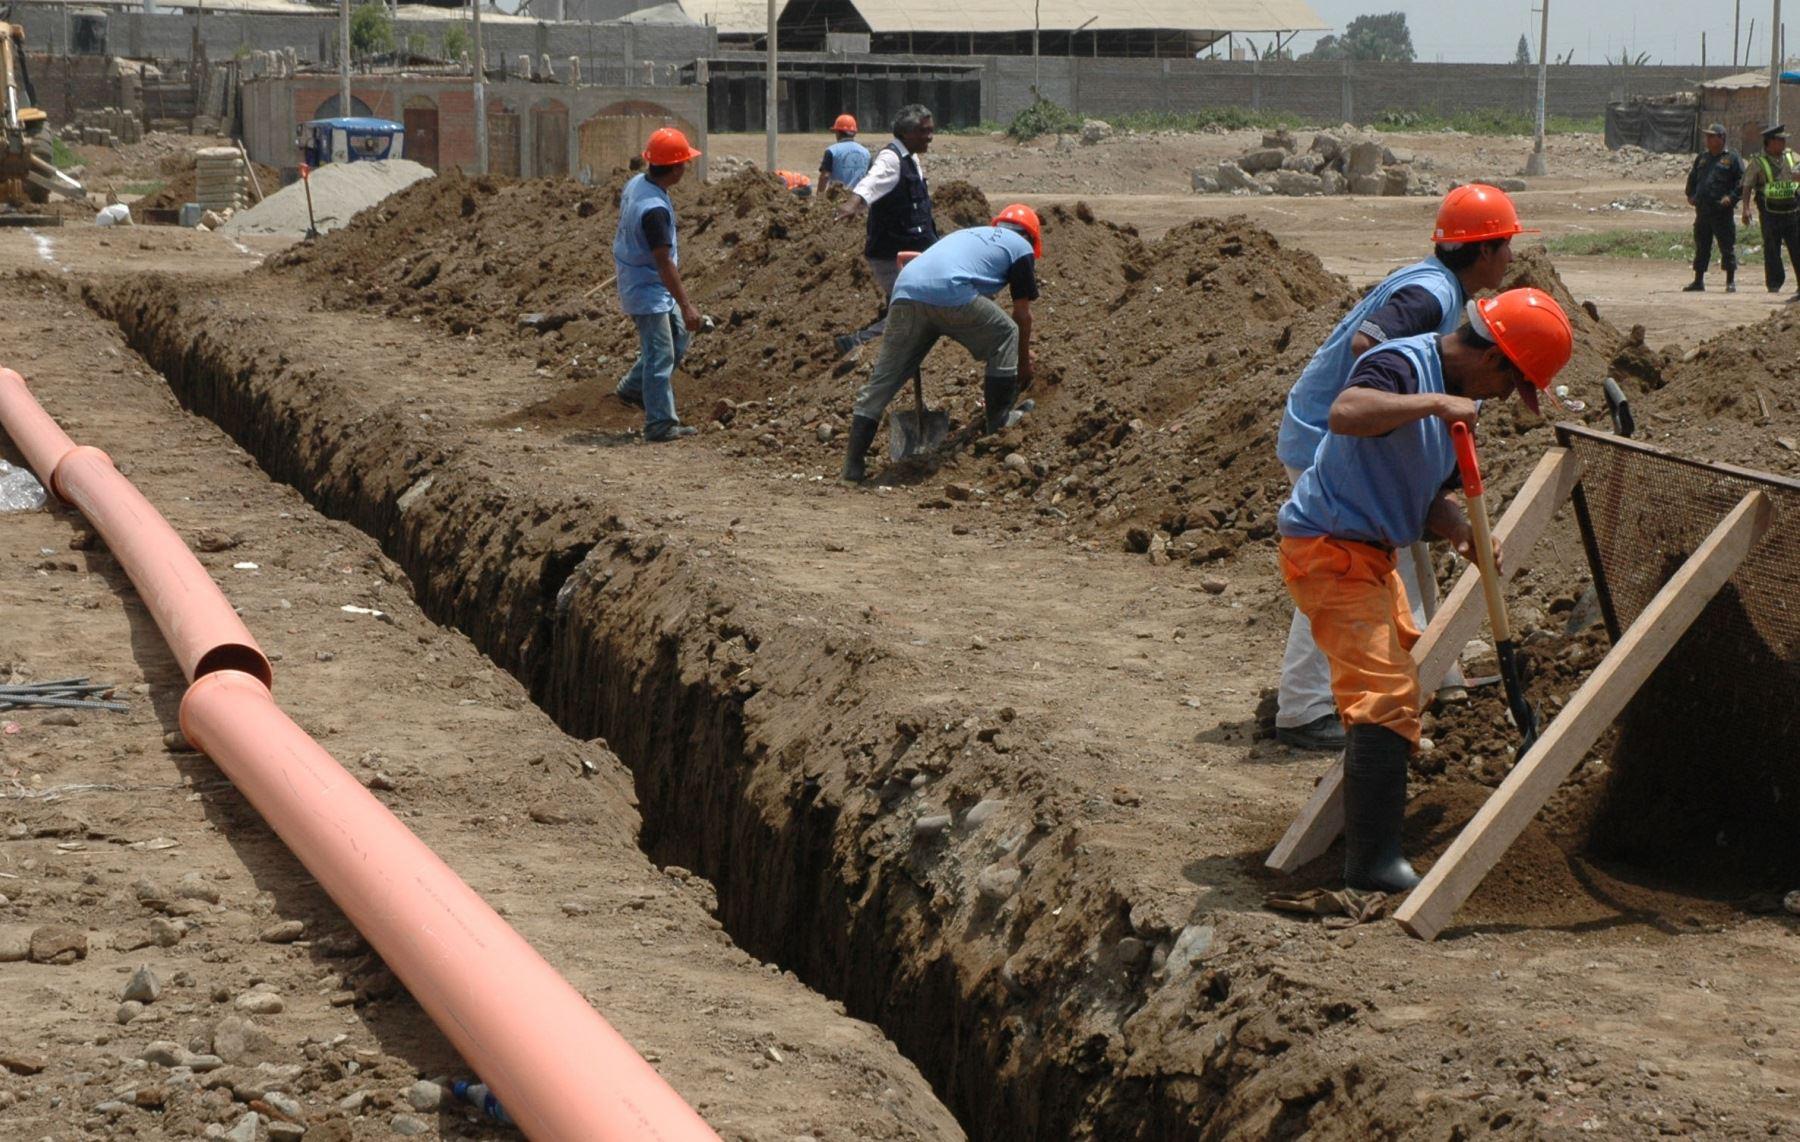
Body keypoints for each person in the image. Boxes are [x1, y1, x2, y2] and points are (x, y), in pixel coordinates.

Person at [1278, 287, 1573, 891]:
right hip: (1328, 547)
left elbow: (1432, 493)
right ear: (1494, 360)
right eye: (1508, 384)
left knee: (1407, 675)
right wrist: (1436, 402)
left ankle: (1372, 834)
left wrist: (1460, 528)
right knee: (1383, 695)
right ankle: (1371, 865)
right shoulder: (1405, 365)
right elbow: (1347, 411)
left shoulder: (1453, 404)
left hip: (1369, 551)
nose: (1499, 399)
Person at [1272, 184, 1530, 752]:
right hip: (1332, 439)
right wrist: (1417, 401)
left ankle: (1435, 676)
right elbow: (1370, 349)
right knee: (1347, 574)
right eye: (1506, 245)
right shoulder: (1432, 294)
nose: (1511, 258)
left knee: (1397, 568)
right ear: (1483, 250)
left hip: (1344, 433)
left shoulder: (1439, 286)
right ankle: (1311, 706)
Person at [839, 205, 1041, 484]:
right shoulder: (1021, 248)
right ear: (1031, 237)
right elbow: (1021, 314)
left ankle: (852, 467)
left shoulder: (971, 235)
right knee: (1007, 333)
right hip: (952, 292)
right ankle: (1000, 422)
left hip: (906, 289)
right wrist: (1021, 359)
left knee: (883, 379)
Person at [612, 127, 704, 442]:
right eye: (685, 163)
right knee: (661, 353)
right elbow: (664, 263)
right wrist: (688, 305)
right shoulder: (654, 211)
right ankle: (659, 424)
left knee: (678, 338)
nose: (686, 168)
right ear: (676, 168)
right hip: (646, 287)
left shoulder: (638, 183)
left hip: (647, 280)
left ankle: (634, 387)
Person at [834, 104, 940, 355]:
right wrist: (852, 204)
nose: (930, 136)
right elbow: (869, 183)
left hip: (911, 252)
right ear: (906, 133)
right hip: (893, 256)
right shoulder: (891, 159)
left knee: (911, 305)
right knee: (914, 311)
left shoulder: (911, 159)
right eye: (924, 131)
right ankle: (860, 341)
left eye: (931, 130)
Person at [1741, 123, 1800, 295]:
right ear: (1770, 142)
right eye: (1780, 140)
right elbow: (1747, 185)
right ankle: (1774, 283)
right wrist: (1746, 208)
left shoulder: (1791, 157)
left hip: (1793, 211)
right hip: (1770, 213)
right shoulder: (1758, 162)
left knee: (1797, 248)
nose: (1783, 143)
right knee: (1772, 248)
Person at [1684, 123, 1742, 293]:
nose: (1708, 139)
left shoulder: (1732, 158)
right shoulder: (1702, 157)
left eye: (1711, 136)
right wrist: (1690, 195)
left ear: (1722, 138)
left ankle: (1730, 281)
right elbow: (1693, 178)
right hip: (1703, 210)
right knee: (1702, 245)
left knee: (1726, 246)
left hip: (1721, 211)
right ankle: (1698, 281)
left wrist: (1730, 198)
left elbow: (1741, 182)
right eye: (1707, 136)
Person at [817, 114, 871, 195]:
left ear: (838, 132)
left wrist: (819, 197)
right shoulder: (866, 153)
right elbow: (870, 177)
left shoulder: (832, 151)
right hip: (859, 199)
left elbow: (825, 176)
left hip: (838, 198)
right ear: (854, 133)